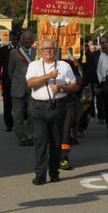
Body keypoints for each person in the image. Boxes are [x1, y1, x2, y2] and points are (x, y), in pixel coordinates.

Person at [26, 38, 78, 184]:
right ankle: (40, 174)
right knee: (40, 141)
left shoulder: (64, 65)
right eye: (45, 48)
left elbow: (74, 86)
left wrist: (61, 88)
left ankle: (54, 171)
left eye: (51, 48)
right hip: (38, 107)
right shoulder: (34, 65)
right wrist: (49, 76)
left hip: (58, 106)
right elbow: (30, 83)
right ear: (40, 51)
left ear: (56, 50)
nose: (49, 51)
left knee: (56, 141)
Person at [2, 29, 37, 145]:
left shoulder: (37, 53)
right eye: (25, 39)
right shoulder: (14, 53)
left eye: (29, 39)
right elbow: (10, 71)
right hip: (18, 86)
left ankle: (30, 135)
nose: (27, 41)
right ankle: (21, 137)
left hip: (33, 87)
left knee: (32, 112)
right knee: (18, 114)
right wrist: (16, 81)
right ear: (21, 40)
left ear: (33, 40)